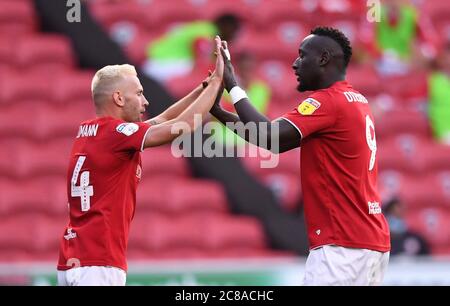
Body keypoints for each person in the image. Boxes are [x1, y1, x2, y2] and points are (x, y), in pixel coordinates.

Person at [210, 27, 391, 285]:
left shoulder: (328, 102)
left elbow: (269, 136)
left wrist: (233, 85)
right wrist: (219, 113)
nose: (295, 64)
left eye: (302, 56)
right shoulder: (356, 100)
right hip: (370, 241)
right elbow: (277, 144)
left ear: (324, 59)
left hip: (342, 246)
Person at [56, 36, 225, 286]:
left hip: (72, 258)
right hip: (99, 263)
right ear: (119, 98)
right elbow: (184, 126)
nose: (145, 102)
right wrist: (219, 82)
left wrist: (203, 88)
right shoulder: (117, 134)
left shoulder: (92, 131)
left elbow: (161, 119)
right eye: (139, 93)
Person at [143, 13, 241, 82]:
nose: (234, 35)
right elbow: (201, 59)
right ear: (225, 25)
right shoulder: (207, 32)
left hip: (158, 62)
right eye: (234, 30)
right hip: (162, 64)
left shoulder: (202, 27)